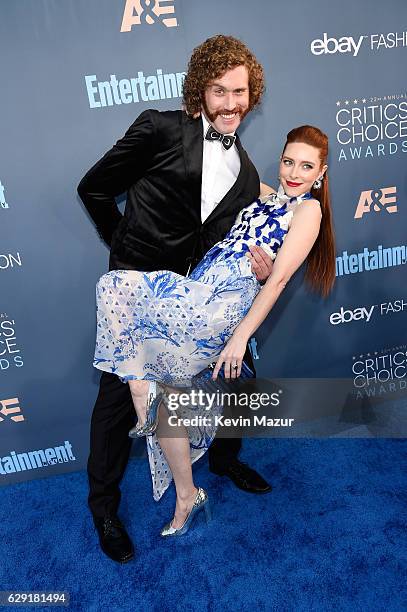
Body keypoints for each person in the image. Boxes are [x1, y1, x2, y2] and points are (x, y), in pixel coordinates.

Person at [77, 34, 273, 563]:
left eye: (241, 92)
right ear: (200, 92)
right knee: (117, 404)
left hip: (195, 302)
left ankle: (227, 460)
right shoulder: (160, 128)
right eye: (220, 91)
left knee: (236, 374)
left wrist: (261, 269)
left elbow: (233, 245)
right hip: (138, 295)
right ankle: (104, 508)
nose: (232, 103)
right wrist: (126, 250)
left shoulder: (249, 173)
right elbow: (93, 187)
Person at [94, 124, 336, 538]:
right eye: (288, 161)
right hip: (199, 287)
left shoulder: (308, 210)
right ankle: (186, 492)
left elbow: (276, 282)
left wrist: (240, 338)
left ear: (321, 171)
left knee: (116, 288)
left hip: (223, 303)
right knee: (161, 381)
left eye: (306, 165)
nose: (294, 172)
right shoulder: (265, 193)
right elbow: (221, 171)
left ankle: (143, 403)